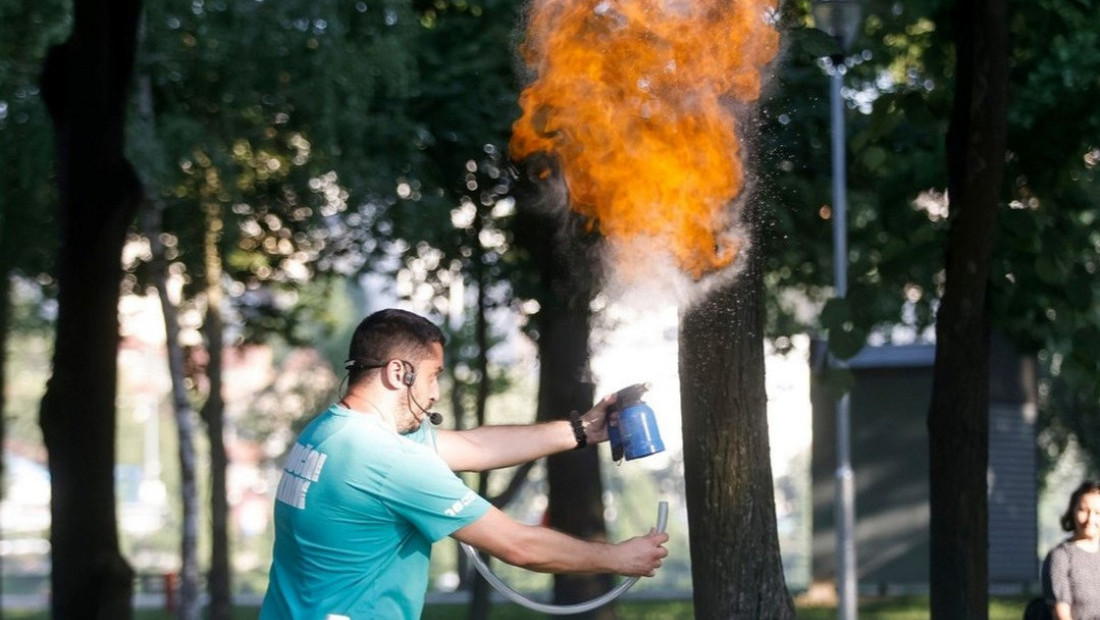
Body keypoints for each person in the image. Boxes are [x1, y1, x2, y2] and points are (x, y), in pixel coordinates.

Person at [259, 308, 669, 619]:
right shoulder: (388, 462)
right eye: (433, 375)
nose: (436, 392)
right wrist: (618, 558)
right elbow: (519, 545)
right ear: (398, 373)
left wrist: (582, 430)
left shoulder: (332, 431)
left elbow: (473, 446)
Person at [1041, 480, 1100, 620]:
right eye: (1083, 511)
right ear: (1072, 511)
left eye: (1098, 512)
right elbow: (1061, 613)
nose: (1090, 519)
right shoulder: (1061, 556)